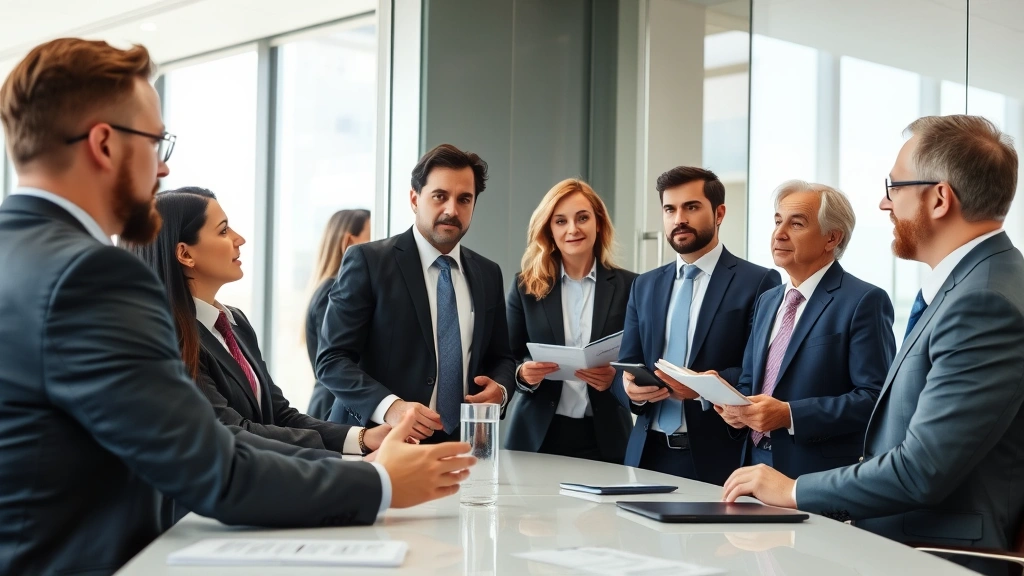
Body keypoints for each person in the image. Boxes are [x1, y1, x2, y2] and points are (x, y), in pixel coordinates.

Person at [0, 38, 474, 575]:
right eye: (157, 144)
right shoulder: (92, 275)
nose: (162, 171)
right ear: (104, 143)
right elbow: (210, 466)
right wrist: (381, 480)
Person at [723, 115, 1024, 576]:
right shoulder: (969, 285)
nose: (885, 203)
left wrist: (793, 490)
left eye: (895, 186)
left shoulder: (982, 300)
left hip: (936, 554)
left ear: (939, 198)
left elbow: (921, 468)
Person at [122, 189, 388, 454]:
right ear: (185, 254)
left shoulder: (234, 321)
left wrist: (364, 438)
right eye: (223, 231)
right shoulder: (169, 337)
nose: (240, 239)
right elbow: (231, 430)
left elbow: (279, 414)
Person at [316, 143, 516, 443]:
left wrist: (499, 390)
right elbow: (331, 359)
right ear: (414, 198)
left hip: (460, 447)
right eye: (440, 196)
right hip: (377, 442)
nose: (452, 209)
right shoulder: (368, 262)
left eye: (464, 199)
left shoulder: (488, 273)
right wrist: (391, 408)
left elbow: (502, 357)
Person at [713, 181, 895, 477]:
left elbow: (874, 399)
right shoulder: (768, 301)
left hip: (815, 473)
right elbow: (751, 382)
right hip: (752, 463)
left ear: (831, 238)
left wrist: (789, 415)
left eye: (796, 224)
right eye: (777, 221)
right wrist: (734, 406)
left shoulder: (864, 301)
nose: (779, 233)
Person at [612, 167, 781, 483]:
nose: (679, 219)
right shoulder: (644, 285)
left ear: (719, 213)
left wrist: (701, 388)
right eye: (669, 209)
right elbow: (625, 368)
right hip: (645, 455)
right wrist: (630, 390)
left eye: (691, 207)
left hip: (716, 458)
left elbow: (757, 373)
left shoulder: (758, 282)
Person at [504, 179, 635, 462]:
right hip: (537, 435)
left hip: (607, 437)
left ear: (598, 223)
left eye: (582, 218)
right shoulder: (525, 287)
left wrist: (616, 380)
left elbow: (641, 361)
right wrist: (523, 374)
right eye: (560, 221)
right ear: (549, 230)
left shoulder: (631, 287)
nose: (572, 229)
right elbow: (506, 358)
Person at [305, 209, 372, 420]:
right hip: (333, 412)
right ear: (350, 242)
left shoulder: (328, 289)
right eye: (374, 236)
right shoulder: (334, 292)